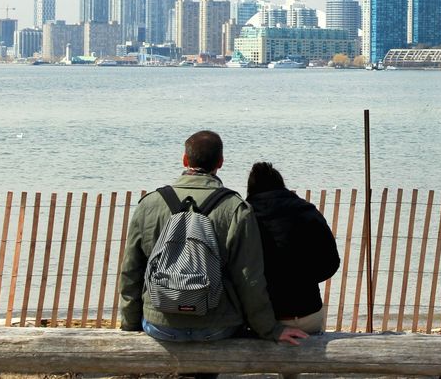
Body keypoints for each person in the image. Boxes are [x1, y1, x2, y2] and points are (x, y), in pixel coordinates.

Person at [119, 130, 309, 348]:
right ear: (220, 162)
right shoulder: (235, 208)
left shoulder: (150, 204)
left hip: (160, 325)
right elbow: (249, 279)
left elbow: (131, 271)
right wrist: (269, 329)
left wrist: (130, 324)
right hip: (218, 327)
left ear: (184, 159)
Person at [245, 161, 341, 334]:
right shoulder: (307, 211)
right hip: (308, 312)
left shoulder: (244, 217)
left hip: (263, 318)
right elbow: (331, 263)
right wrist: (302, 278)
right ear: (281, 185)